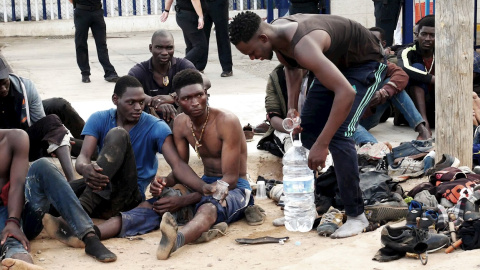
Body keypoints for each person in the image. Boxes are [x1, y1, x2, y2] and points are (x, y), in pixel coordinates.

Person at [229, 11, 386, 238]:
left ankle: (356, 216)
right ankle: (307, 207)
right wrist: (293, 107)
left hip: (364, 64)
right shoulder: (277, 37)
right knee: (306, 132)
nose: (253, 58)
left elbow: (345, 92)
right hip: (332, 63)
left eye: (251, 52)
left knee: (340, 135)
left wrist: (322, 145)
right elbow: (292, 68)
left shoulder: (303, 45)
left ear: (263, 38)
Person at [73, 75, 214, 221]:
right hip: (101, 189)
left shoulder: (156, 127)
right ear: (115, 99)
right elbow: (84, 156)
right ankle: (65, 212)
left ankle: (80, 212)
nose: (138, 108)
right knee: (61, 189)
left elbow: (178, 164)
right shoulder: (99, 119)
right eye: (131, 103)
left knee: (118, 134)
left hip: (128, 198)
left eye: (141, 102)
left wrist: (203, 187)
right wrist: (85, 168)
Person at [155, 69, 256, 259]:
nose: (195, 103)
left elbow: (230, 180)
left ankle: (176, 240)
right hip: (204, 183)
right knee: (160, 202)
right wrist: (163, 182)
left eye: (199, 95)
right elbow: (180, 169)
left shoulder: (226, 121)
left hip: (236, 188)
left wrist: (185, 199)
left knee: (208, 208)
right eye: (187, 98)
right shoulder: (180, 123)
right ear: (177, 100)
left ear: (206, 94)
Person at [22, 158, 117, 263]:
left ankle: (90, 237)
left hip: (23, 217)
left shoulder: (13, 142)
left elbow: (17, 183)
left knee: (42, 165)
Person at [0, 59, 76, 182]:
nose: (3, 89)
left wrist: (55, 141)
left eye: (4, 82)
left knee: (54, 124)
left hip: (26, 143)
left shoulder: (26, 87)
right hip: (3, 149)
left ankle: (72, 181)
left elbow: (41, 125)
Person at [353, 27, 431, 145]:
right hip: (349, 120)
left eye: (374, 41)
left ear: (383, 44)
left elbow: (401, 75)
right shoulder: (352, 61)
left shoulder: (379, 61)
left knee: (391, 83)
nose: (370, 44)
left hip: (369, 115)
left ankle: (422, 129)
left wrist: (384, 92)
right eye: (367, 40)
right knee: (345, 125)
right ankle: (376, 149)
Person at [128, 30, 196, 123]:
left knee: (198, 98)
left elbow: (204, 82)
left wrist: (174, 97)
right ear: (151, 48)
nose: (164, 52)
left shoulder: (182, 65)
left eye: (169, 48)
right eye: (159, 47)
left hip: (180, 118)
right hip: (149, 120)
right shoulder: (139, 71)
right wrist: (156, 103)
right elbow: (129, 91)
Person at [0, 130, 43, 270]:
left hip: (6, 207)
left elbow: (18, 184)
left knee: (10, 239)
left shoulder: (14, 137)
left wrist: (13, 220)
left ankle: (22, 264)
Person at [397, 15, 435, 130]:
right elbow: (405, 68)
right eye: (424, 34)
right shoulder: (407, 51)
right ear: (417, 34)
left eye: (432, 35)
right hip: (412, 107)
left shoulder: (443, 53)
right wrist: (432, 79)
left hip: (434, 104)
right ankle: (423, 124)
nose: (427, 38)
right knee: (417, 67)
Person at [70, 0, 119, 83]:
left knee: (101, 43)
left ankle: (110, 73)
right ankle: (85, 73)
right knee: (81, 44)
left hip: (97, 12)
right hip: (81, 12)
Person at [160, 0, 208, 72]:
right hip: (190, 15)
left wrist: (166, 10)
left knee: (191, 46)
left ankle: (188, 71)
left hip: (182, 14)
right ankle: (178, 68)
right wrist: (200, 16)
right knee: (200, 46)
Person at [202, 0, 233, 77]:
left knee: (222, 35)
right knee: (202, 37)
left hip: (219, 3)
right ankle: (200, 66)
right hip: (203, 3)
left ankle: (227, 68)